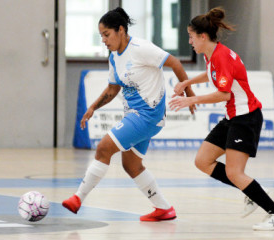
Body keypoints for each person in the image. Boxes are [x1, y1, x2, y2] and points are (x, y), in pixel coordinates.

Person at [62, 7, 196, 222]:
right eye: (101, 36)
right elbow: (112, 89)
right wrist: (92, 108)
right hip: (135, 116)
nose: (104, 40)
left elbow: (175, 63)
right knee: (131, 165)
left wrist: (189, 93)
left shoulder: (141, 48)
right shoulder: (114, 57)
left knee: (104, 148)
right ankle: (163, 209)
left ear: (121, 30)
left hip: (148, 114)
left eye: (107, 34)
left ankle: (78, 198)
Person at [169, 7, 274, 230]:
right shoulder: (212, 54)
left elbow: (223, 94)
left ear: (203, 36)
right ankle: (250, 192)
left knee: (234, 172)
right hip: (232, 116)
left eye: (191, 36)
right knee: (202, 161)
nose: (190, 41)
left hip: (246, 117)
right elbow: (211, 74)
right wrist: (187, 83)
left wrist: (190, 100)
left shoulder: (222, 57)